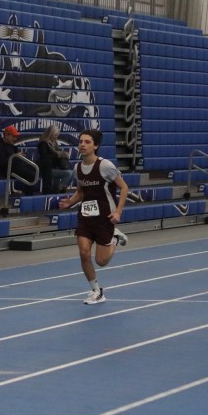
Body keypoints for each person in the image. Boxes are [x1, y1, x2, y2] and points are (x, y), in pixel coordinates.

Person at [58, 129, 129, 305]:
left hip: (104, 217)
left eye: (87, 142)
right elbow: (81, 192)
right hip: (85, 216)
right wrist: (70, 202)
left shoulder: (105, 166)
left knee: (101, 261)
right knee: (84, 253)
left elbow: (124, 188)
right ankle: (96, 291)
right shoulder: (78, 168)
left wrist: (118, 212)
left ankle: (114, 238)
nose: (82, 144)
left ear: (95, 146)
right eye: (81, 141)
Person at [0, 125, 38, 192]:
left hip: (16, 166)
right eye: (13, 136)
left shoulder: (11, 145)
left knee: (35, 168)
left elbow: (15, 157)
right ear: (6, 135)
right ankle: (29, 195)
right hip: (8, 170)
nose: (15, 139)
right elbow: (1, 164)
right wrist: (15, 157)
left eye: (16, 137)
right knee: (31, 175)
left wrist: (19, 157)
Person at [36, 125, 71, 193]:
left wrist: (63, 154)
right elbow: (44, 157)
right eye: (55, 135)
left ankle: (60, 188)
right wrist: (58, 154)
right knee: (68, 173)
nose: (56, 137)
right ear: (50, 134)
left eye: (57, 135)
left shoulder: (55, 143)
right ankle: (59, 189)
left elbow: (59, 153)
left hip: (55, 166)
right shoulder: (43, 143)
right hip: (47, 169)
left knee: (73, 173)